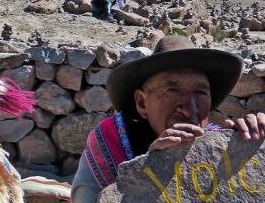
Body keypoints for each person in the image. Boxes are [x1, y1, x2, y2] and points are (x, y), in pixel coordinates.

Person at [71, 35, 265, 203]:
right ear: (142, 103)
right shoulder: (111, 142)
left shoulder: (220, 146)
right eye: (171, 90)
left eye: (200, 92)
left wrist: (251, 149)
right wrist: (149, 171)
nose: (190, 109)